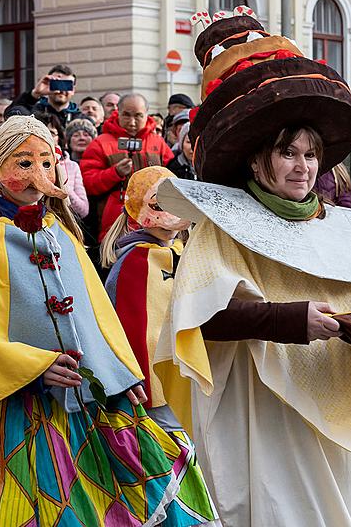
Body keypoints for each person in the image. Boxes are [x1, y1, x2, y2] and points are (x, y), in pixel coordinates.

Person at [151, 13, 351, 526]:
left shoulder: (345, 229)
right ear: (260, 161)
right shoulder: (224, 228)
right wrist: (287, 321)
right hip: (271, 414)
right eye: (287, 153)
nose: (302, 165)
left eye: (310, 153)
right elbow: (200, 320)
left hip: (342, 402)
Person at [0, 115, 210, 526]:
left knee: (105, 495)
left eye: (46, 162)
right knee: (32, 505)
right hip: (19, 405)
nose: (38, 174)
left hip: (85, 399)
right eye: (24, 164)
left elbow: (97, 314)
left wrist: (120, 372)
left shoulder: (62, 231)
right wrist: (34, 368)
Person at [100, 165, 219, 525]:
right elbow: (135, 329)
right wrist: (140, 387)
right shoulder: (137, 261)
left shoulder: (180, 252)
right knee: (173, 474)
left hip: (183, 384)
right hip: (155, 392)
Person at [81, 92, 174, 240]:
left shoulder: (158, 143)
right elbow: (88, 183)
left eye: (138, 116)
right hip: (114, 226)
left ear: (146, 115)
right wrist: (114, 173)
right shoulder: (101, 143)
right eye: (126, 115)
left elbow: (174, 179)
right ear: (118, 112)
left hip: (156, 224)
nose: (132, 122)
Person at [8, 64, 83, 128]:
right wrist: (35, 94)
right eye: (57, 84)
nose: (61, 90)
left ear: (73, 90)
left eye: (66, 85)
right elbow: (11, 116)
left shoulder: (80, 119)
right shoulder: (34, 112)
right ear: (49, 84)